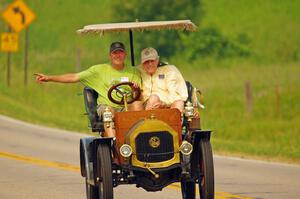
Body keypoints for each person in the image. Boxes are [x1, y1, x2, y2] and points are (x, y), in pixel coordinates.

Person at [35, 42, 143, 137]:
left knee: (138, 105)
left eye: (120, 52)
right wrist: (49, 78)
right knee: (108, 112)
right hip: (107, 106)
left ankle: (138, 139)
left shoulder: (133, 71)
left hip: (125, 107)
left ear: (125, 54)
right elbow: (74, 77)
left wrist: (134, 90)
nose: (118, 55)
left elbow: (138, 96)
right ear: (110, 55)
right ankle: (113, 143)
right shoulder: (99, 70)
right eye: (115, 53)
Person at [139, 47, 188, 113]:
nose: (150, 64)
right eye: (146, 62)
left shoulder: (169, 70)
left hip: (167, 105)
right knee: (153, 99)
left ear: (157, 60)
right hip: (144, 106)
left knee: (179, 103)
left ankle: (173, 123)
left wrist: (164, 104)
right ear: (142, 63)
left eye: (152, 61)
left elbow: (176, 95)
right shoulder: (138, 71)